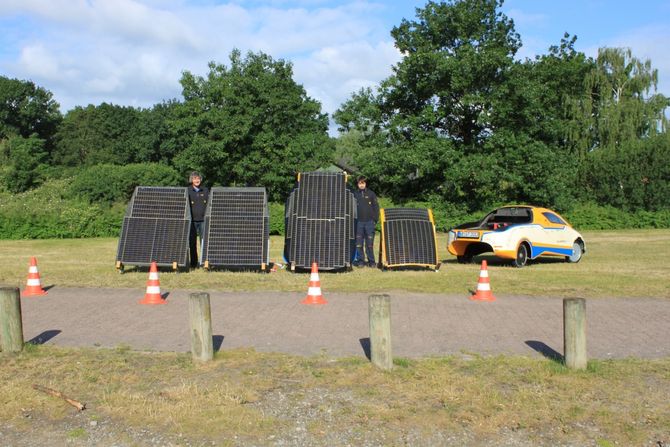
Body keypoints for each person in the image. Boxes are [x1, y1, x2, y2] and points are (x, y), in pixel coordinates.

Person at [353, 175, 379, 267]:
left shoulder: (371, 194)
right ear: (357, 184)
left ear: (365, 183)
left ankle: (371, 262)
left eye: (363, 183)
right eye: (360, 183)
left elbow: (376, 207)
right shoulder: (354, 194)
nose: (361, 185)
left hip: (369, 223)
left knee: (369, 244)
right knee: (359, 244)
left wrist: (375, 220)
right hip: (359, 223)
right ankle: (361, 261)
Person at [188, 171, 209, 268]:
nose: (197, 180)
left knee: (204, 242)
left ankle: (203, 262)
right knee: (192, 243)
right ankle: (193, 263)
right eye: (195, 178)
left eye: (198, 178)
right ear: (191, 180)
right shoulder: (188, 191)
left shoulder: (205, 190)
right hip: (192, 221)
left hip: (203, 221)